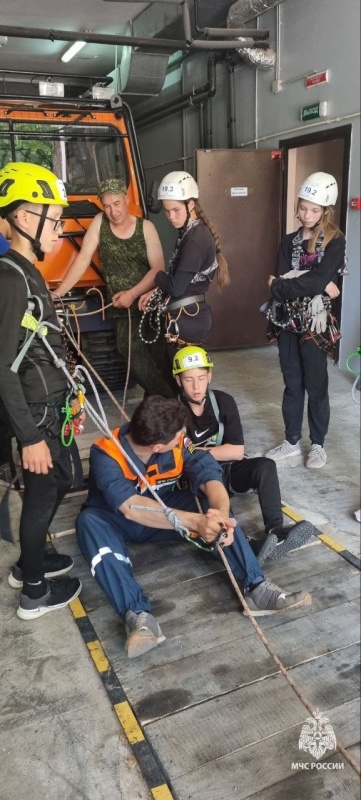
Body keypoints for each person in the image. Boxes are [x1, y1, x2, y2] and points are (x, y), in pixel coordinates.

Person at [76, 396, 311, 659]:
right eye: (178, 438)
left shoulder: (177, 440)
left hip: (166, 513)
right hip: (116, 519)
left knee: (206, 504)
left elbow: (209, 474)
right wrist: (195, 522)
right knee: (88, 523)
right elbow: (130, 507)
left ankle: (256, 587)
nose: (183, 439)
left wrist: (219, 516)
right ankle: (138, 616)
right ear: (157, 446)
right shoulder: (105, 452)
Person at [0, 161, 81, 619]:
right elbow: (1, 367)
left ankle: (30, 563)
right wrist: (29, 436)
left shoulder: (28, 273)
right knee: (43, 493)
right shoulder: (9, 278)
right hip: (34, 413)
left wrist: (70, 400)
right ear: (26, 219)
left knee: (62, 480)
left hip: (52, 405)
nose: (61, 231)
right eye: (56, 220)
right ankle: (33, 591)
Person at [172, 345, 314, 564]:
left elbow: (237, 452)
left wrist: (200, 452)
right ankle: (247, 547)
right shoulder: (171, 410)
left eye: (201, 378)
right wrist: (212, 454)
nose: (196, 386)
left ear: (209, 376)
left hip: (229, 470)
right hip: (198, 480)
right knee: (212, 513)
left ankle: (276, 531)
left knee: (265, 466)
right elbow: (176, 457)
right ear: (179, 381)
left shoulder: (223, 402)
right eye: (189, 379)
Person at [56, 178, 173, 397]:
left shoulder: (145, 227)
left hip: (148, 303)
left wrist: (132, 293)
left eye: (117, 203)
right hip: (122, 308)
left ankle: (167, 403)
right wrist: (58, 293)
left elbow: (158, 269)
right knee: (131, 354)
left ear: (126, 199)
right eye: (107, 205)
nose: (113, 211)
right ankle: (171, 401)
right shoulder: (100, 222)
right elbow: (82, 260)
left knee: (158, 358)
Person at [264, 172, 345, 469]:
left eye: (314, 210)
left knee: (317, 383)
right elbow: (288, 280)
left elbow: (284, 282)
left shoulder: (335, 242)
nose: (307, 215)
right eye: (302, 208)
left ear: (325, 211)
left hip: (316, 323)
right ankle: (292, 443)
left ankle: (318, 445)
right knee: (292, 383)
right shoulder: (288, 242)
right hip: (287, 321)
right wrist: (312, 281)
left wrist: (287, 283)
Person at [139, 171, 230, 372]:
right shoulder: (190, 232)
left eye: (176, 210)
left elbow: (176, 286)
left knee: (184, 381)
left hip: (187, 319)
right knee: (176, 378)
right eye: (167, 211)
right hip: (186, 316)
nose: (171, 217)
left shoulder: (195, 239)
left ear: (191, 205)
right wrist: (155, 292)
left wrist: (155, 274)